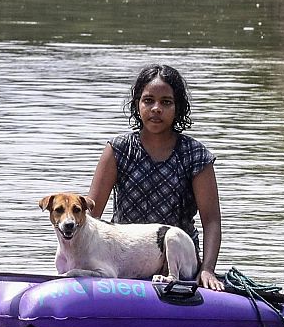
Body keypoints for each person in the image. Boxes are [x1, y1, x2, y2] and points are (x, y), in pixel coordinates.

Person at [86, 64, 224, 291]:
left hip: (177, 262)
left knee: (175, 250)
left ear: (177, 108)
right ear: (137, 105)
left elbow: (211, 221)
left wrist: (207, 269)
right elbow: (90, 217)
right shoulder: (119, 150)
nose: (156, 108)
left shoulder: (195, 155)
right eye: (148, 100)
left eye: (166, 102)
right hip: (124, 259)